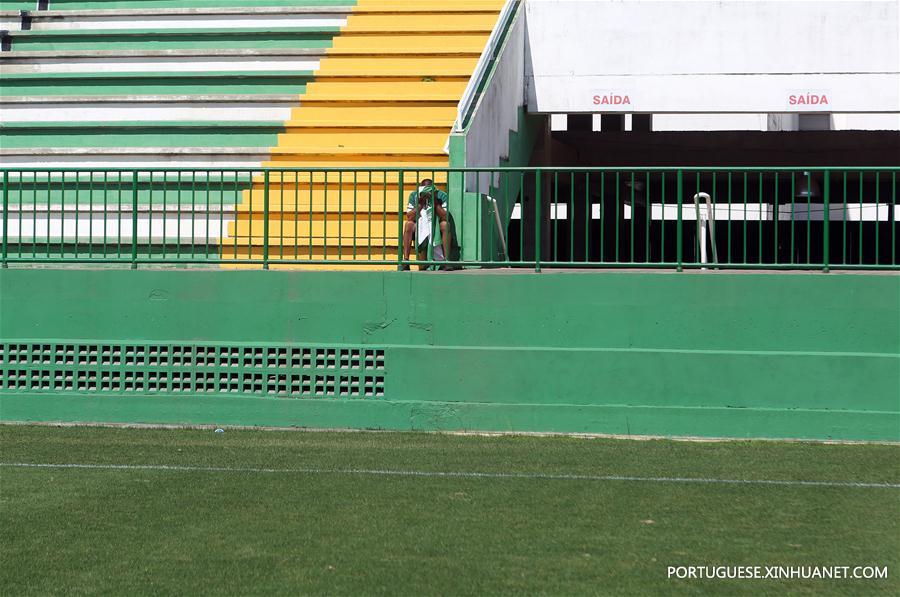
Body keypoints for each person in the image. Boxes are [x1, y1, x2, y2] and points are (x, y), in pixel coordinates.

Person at [402, 178, 451, 270]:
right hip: (420, 224)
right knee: (408, 224)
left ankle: (446, 260)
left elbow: (445, 217)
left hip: (436, 223)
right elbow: (410, 217)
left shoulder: (442, 195)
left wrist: (435, 202)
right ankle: (406, 260)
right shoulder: (414, 195)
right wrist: (420, 204)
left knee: (445, 225)